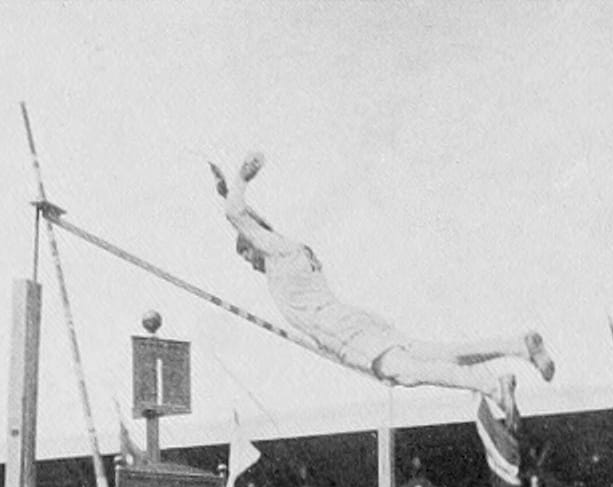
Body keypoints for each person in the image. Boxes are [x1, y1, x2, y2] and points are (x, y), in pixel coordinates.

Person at [212, 153, 554, 429]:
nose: (252, 265)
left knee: (413, 370)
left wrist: (240, 181)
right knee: (430, 355)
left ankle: (497, 381)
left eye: (249, 256)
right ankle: (513, 353)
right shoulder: (293, 249)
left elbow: (237, 215)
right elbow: (253, 221)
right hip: (352, 320)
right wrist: (226, 189)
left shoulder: (277, 254)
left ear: (258, 245)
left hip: (339, 329)